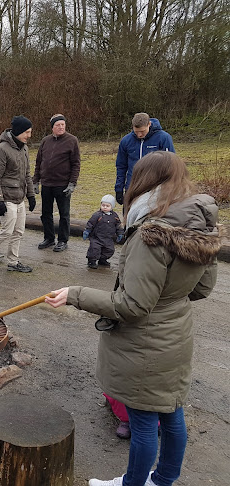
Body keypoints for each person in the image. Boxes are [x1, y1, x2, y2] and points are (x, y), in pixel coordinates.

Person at [45, 151, 221, 486]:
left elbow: (133, 306)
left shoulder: (150, 233)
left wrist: (75, 294)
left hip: (145, 348)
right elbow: (201, 289)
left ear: (144, 182)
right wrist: (169, 299)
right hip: (176, 337)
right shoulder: (199, 227)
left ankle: (133, 484)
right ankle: (163, 480)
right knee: (171, 415)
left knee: (143, 424)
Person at [0, 116, 36, 274]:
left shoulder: (24, 148)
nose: (29, 135)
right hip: (6, 197)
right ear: (18, 132)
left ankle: (13, 261)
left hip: (20, 198)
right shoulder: (1, 149)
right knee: (7, 231)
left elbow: (27, 174)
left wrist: (31, 195)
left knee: (18, 231)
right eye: (27, 132)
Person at [34, 114, 81, 252]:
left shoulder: (72, 140)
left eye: (63, 124)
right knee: (46, 213)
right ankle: (49, 238)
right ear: (52, 127)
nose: (61, 127)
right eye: (57, 125)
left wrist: (72, 183)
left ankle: (62, 240)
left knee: (64, 214)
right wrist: (35, 180)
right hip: (47, 184)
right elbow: (38, 162)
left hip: (63, 184)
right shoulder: (45, 141)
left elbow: (76, 164)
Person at [115, 113, 174, 206]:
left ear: (149, 124)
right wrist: (119, 188)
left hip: (154, 188)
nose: (139, 134)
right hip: (132, 187)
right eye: (136, 131)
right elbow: (121, 166)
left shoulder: (164, 138)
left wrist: (169, 187)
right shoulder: (126, 141)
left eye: (142, 131)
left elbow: (171, 164)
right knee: (129, 217)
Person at [83, 194, 124, 269]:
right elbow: (90, 223)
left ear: (112, 206)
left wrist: (120, 233)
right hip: (97, 237)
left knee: (109, 250)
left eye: (107, 206)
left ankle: (102, 259)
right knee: (94, 249)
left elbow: (118, 225)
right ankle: (91, 261)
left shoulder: (115, 216)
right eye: (103, 205)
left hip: (108, 238)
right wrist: (87, 231)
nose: (105, 207)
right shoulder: (97, 215)